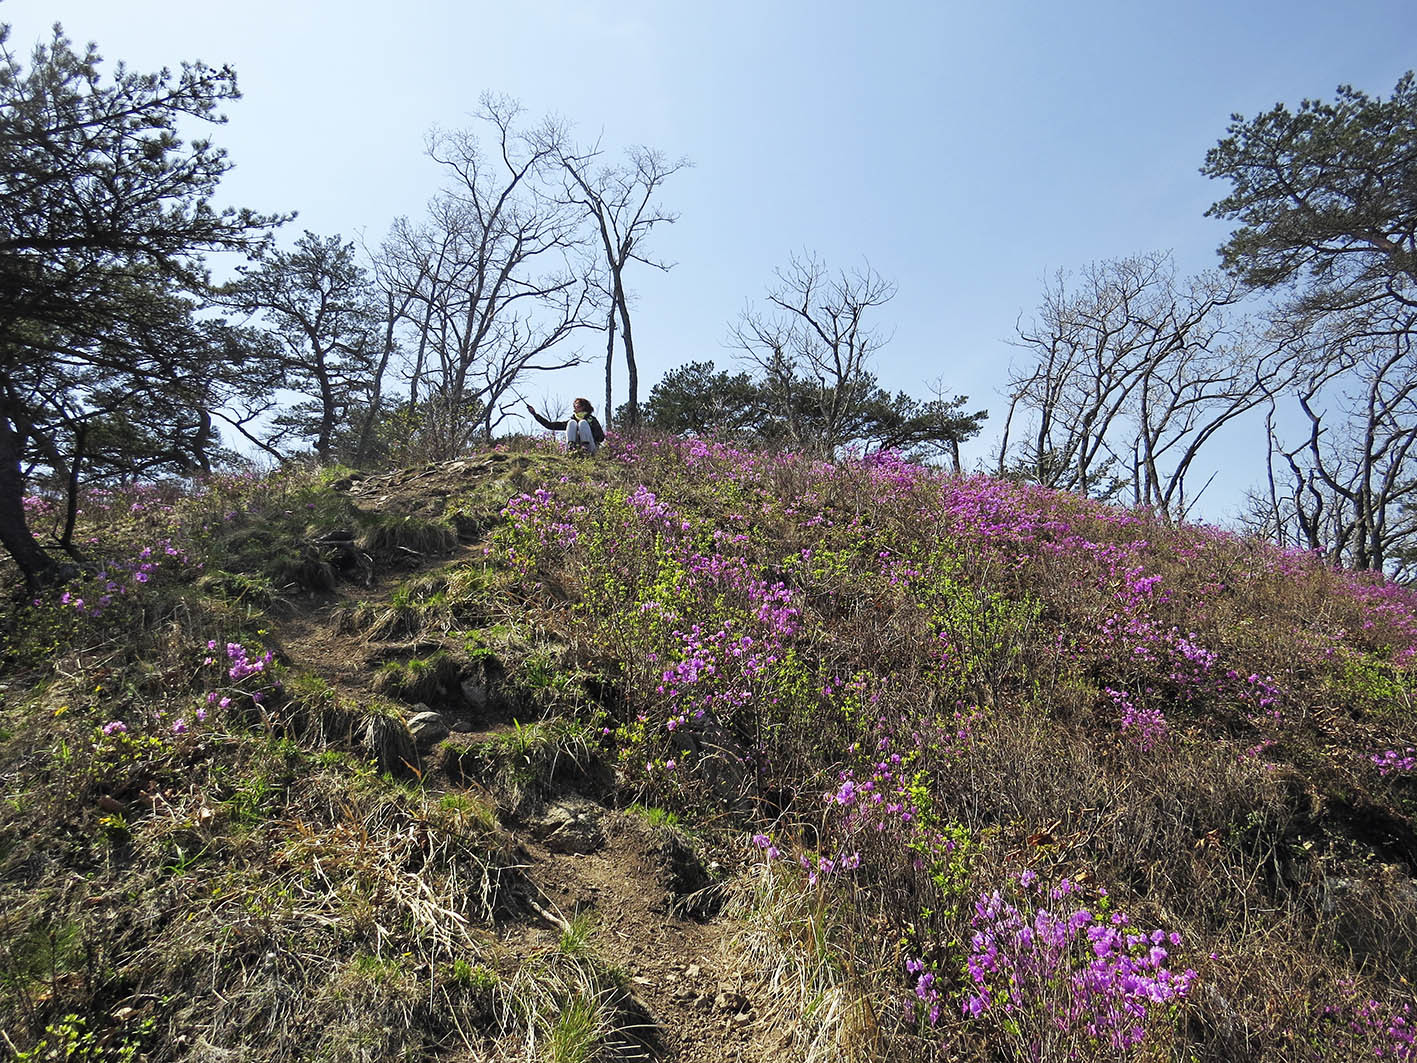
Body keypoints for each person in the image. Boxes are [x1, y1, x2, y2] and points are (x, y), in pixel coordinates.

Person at [526, 397, 605, 455]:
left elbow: (601, 438)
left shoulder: (591, 420)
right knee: (571, 423)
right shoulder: (573, 421)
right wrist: (534, 414)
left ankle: (585, 447)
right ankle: (571, 448)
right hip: (575, 448)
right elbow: (550, 425)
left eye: (576, 406)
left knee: (582, 423)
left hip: (590, 448)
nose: (574, 409)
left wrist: (588, 430)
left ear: (583, 407)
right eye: (574, 406)